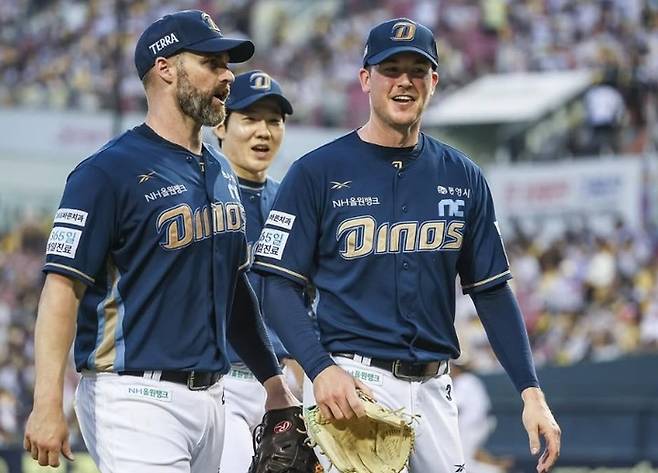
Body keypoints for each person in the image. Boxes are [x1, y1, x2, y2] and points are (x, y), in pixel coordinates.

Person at [252, 17, 562, 473]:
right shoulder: (316, 172)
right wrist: (321, 368)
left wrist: (531, 392)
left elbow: (492, 291)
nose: (404, 82)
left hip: (436, 387)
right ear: (366, 79)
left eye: (417, 71)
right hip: (354, 384)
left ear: (433, 82)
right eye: (390, 69)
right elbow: (276, 285)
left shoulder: (463, 176)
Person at [23, 10, 298, 472]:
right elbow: (61, 290)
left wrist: (273, 381)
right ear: (165, 68)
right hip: (134, 395)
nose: (227, 76)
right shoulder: (105, 172)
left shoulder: (221, 170)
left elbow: (233, 290)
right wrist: (47, 402)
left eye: (226, 64)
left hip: (212, 398)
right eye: (211, 63)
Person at [211, 69, 300, 472]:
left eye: (274, 121)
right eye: (249, 118)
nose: (263, 131)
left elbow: (309, 297)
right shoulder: (200, 196)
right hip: (219, 379)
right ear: (220, 126)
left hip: (282, 383)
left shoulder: (291, 202)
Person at [452, 356, 514, 473]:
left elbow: (455, 406)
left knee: (463, 463)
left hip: (473, 426)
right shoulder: (471, 380)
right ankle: (497, 465)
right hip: (479, 424)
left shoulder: (463, 381)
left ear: (457, 368)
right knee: (467, 457)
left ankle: (496, 470)